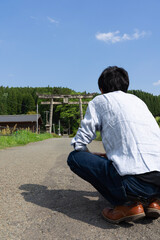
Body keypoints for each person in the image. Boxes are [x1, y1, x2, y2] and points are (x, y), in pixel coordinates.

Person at [67, 66, 160, 224]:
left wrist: (89, 156)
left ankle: (127, 205)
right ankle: (154, 201)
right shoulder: (139, 102)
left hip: (135, 183)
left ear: (101, 89)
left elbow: (80, 142)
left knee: (75, 158)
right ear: (126, 86)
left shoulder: (99, 101)